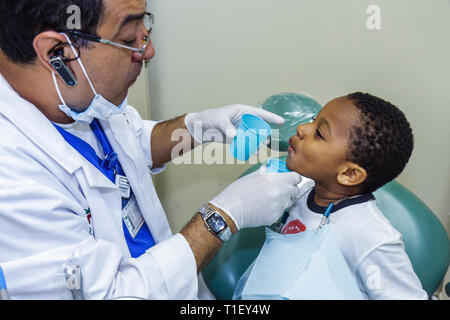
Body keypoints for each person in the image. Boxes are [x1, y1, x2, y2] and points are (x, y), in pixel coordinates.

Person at [0, 0, 302, 299]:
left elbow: (132, 140)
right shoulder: (12, 184)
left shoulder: (78, 96)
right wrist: (221, 218)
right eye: (129, 40)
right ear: (57, 53)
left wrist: (197, 127)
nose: (148, 51)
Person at [281, 92, 428, 299]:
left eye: (320, 133)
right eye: (313, 120)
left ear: (349, 174)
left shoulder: (370, 237)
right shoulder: (302, 190)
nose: (302, 128)